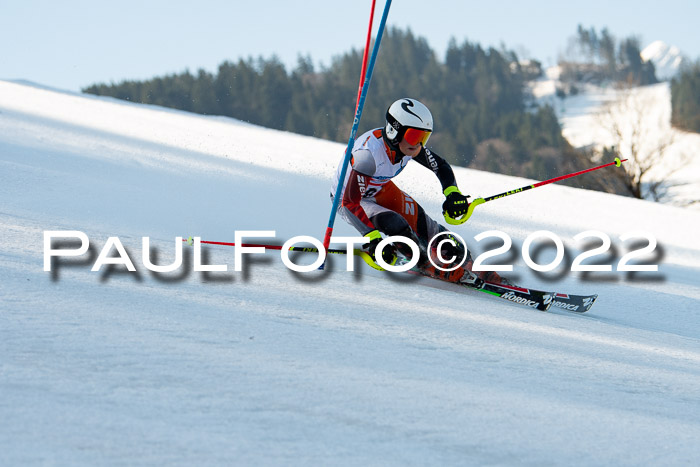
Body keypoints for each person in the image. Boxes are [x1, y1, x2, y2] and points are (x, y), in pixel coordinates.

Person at [331, 97, 504, 284]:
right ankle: (425, 263)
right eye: (414, 136)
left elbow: (440, 166)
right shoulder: (368, 156)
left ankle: (469, 264)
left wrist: (452, 193)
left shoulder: (408, 147)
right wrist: (373, 239)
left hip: (379, 188)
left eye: (424, 137)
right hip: (349, 199)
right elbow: (350, 202)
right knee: (395, 223)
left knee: (430, 229)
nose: (419, 145)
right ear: (394, 130)